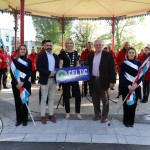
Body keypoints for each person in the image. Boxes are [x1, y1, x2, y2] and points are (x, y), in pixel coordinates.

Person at [88, 39, 116, 123]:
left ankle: (104, 116)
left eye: (100, 45)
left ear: (102, 45)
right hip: (93, 80)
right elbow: (88, 68)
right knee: (95, 99)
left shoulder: (108, 55)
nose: (98, 46)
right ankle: (97, 114)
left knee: (105, 100)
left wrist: (112, 82)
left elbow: (112, 69)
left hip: (103, 80)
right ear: (94, 46)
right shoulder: (90, 55)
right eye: (96, 45)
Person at [59, 38, 82, 120]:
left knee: (78, 95)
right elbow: (61, 65)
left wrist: (78, 65)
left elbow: (77, 62)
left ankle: (78, 112)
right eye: (68, 43)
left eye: (71, 43)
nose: (69, 44)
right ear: (66, 44)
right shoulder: (62, 53)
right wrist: (61, 75)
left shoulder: (76, 52)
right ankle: (67, 112)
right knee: (66, 95)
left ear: (73, 44)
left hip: (74, 76)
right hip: (65, 76)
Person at [36, 40, 59, 124]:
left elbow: (57, 67)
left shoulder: (55, 56)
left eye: (50, 45)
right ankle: (42, 115)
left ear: (52, 46)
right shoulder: (41, 56)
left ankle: (51, 114)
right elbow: (38, 67)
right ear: (44, 46)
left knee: (52, 98)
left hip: (53, 80)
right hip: (44, 79)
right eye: (47, 45)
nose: (49, 46)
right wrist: (48, 73)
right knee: (43, 98)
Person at [10, 44, 32, 126]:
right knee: (17, 101)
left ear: (26, 51)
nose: (23, 50)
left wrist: (22, 82)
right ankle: (18, 119)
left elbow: (30, 72)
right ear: (18, 50)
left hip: (25, 83)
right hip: (16, 84)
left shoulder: (28, 61)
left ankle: (25, 119)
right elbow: (12, 73)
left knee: (25, 100)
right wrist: (16, 84)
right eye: (21, 49)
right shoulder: (14, 60)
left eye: (24, 49)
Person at [120, 48, 142, 127]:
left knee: (133, 105)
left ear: (135, 54)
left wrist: (136, 84)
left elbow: (141, 76)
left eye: (133, 52)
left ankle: (131, 122)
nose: (131, 54)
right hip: (127, 87)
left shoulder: (139, 63)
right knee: (126, 105)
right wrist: (128, 85)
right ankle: (126, 121)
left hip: (135, 87)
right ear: (127, 54)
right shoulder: (124, 63)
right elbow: (122, 76)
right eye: (130, 52)